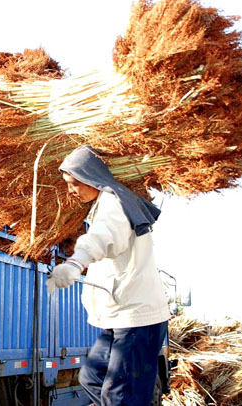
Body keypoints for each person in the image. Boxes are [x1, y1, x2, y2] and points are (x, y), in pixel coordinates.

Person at [46, 146, 171, 406]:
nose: (70, 190)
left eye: (73, 183)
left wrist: (74, 263)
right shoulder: (106, 204)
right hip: (119, 319)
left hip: (136, 319)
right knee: (93, 376)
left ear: (90, 177)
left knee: (120, 395)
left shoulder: (113, 204)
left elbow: (101, 237)